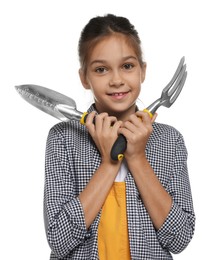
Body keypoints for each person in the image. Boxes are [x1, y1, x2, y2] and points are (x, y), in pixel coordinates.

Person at [44, 14, 195, 259]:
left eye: (127, 66)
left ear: (142, 71)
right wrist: (109, 163)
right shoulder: (63, 139)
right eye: (101, 69)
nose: (116, 80)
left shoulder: (170, 141)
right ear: (85, 78)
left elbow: (179, 239)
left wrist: (136, 158)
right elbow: (59, 241)